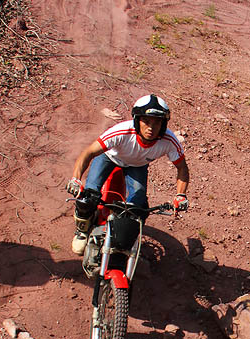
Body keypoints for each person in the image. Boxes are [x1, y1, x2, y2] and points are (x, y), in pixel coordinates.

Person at [66, 94, 189, 254]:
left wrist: (181, 195)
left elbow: (182, 168)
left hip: (137, 165)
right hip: (110, 157)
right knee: (88, 196)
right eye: (146, 121)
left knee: (137, 207)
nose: (151, 128)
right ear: (137, 120)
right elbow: (88, 153)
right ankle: (82, 231)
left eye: (157, 122)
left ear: (163, 124)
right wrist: (76, 179)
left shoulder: (169, 141)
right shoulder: (121, 131)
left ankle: (126, 234)